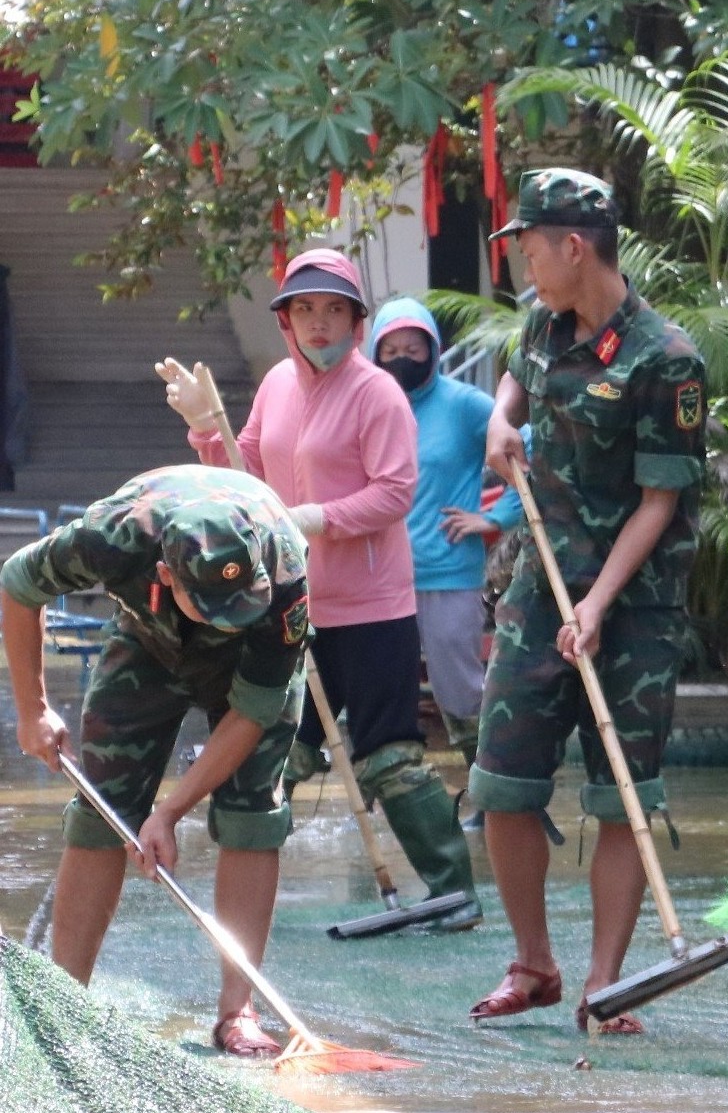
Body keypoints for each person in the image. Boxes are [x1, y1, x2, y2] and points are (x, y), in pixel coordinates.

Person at [160, 248, 478, 931]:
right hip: (290, 601)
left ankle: (455, 887)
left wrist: (317, 518)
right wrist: (203, 425)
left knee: (388, 753)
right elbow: (244, 466)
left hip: (370, 606)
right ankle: (237, 895)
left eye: (334, 310)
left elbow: (396, 491)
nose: (319, 323)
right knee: (282, 743)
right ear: (285, 319)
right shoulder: (277, 384)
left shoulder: (378, 393)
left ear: (356, 321)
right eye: (305, 309)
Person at [469, 168, 707, 1034]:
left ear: (574, 246)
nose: (522, 259)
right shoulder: (543, 321)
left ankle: (604, 986)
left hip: (632, 604)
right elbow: (516, 375)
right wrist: (502, 418)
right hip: (540, 585)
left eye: (529, 244)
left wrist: (600, 602)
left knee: (623, 796)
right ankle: (532, 961)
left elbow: (660, 501)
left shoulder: (666, 359)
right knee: (501, 779)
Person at [2, 466, 311, 1056]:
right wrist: (33, 710)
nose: (229, 615)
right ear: (167, 575)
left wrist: (169, 811)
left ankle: (236, 1011)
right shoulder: (111, 538)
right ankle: (67, 1001)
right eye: (216, 607)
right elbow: (18, 585)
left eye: (239, 601)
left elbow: (250, 714)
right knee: (101, 806)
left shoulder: (283, 575)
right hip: (148, 640)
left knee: (252, 812)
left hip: (252, 666)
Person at [367, 297, 521, 769]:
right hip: (375, 580)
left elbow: (526, 449)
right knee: (380, 697)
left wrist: (496, 519)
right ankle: (393, 799)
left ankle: (492, 791)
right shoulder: (367, 406)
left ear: (434, 350)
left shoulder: (463, 405)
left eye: (414, 348)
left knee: (460, 693)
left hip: (448, 574)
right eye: (390, 349)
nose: (402, 359)